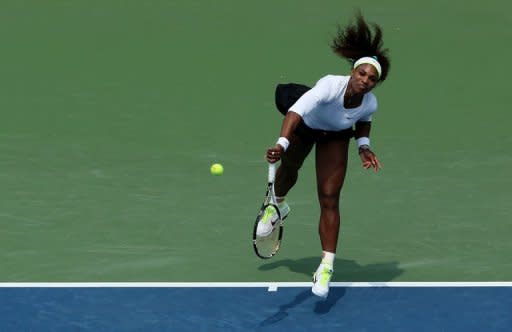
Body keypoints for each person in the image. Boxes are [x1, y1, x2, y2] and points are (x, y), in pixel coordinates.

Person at [256, 12, 390, 298]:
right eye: (362, 73)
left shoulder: (370, 102)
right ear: (353, 72)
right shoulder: (330, 84)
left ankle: (326, 266)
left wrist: (364, 147)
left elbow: (363, 121)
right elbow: (297, 111)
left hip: (336, 136)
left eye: (371, 79)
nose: (365, 80)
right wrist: (281, 144)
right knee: (289, 171)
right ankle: (276, 206)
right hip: (306, 125)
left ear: (375, 84)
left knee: (329, 197)